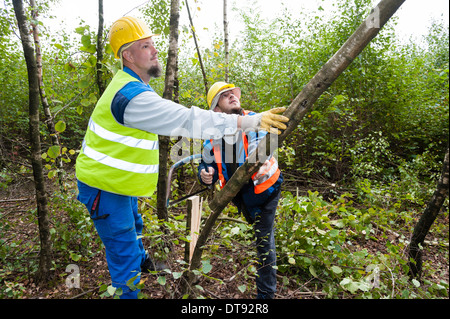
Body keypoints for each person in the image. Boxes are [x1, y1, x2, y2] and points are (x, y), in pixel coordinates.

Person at [75, 16, 289, 299]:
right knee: (123, 255)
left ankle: (144, 261)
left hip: (119, 184)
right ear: (127, 55)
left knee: (135, 225)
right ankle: (130, 285)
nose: (154, 50)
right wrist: (247, 125)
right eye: (145, 46)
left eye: (153, 44)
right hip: (104, 187)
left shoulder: (135, 88)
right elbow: (187, 120)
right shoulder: (131, 96)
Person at [198, 81, 284, 299]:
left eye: (233, 93)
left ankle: (266, 297)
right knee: (261, 235)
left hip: (266, 192)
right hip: (241, 197)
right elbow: (207, 163)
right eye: (225, 96)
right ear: (216, 109)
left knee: (264, 243)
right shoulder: (213, 135)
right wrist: (205, 174)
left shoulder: (257, 119)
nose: (232, 97)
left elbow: (263, 141)